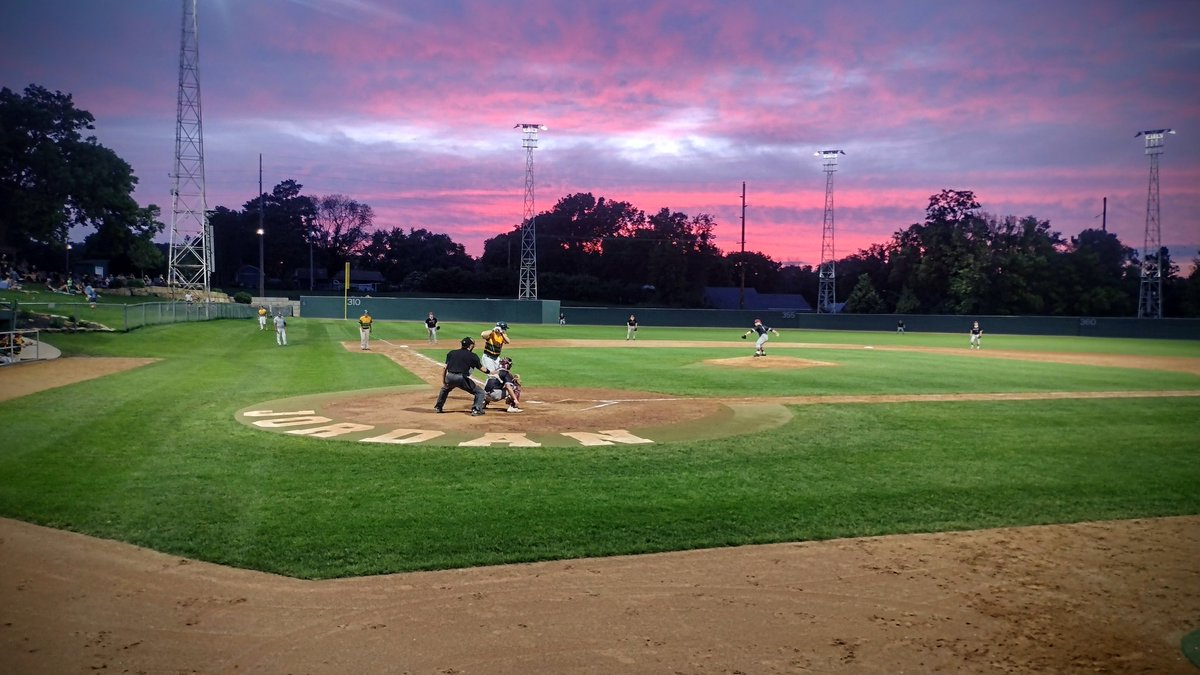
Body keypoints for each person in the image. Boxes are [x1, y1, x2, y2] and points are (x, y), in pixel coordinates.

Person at [434, 337, 488, 416]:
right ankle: (476, 410)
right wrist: (491, 372)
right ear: (470, 346)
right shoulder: (473, 355)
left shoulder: (452, 353)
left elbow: (445, 368)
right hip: (461, 378)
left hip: (450, 377)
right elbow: (482, 369)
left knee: (444, 390)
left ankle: (438, 407)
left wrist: (444, 380)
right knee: (480, 392)